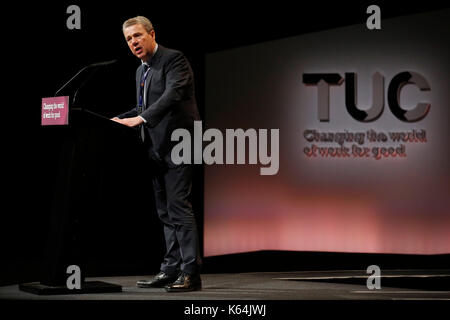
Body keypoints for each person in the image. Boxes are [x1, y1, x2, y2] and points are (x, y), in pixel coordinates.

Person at [112, 16, 202, 292]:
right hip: (155, 149)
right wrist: (114, 119)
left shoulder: (174, 60)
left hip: (179, 144)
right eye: (129, 39)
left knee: (178, 208)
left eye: (137, 36)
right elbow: (142, 107)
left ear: (151, 34)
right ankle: (170, 269)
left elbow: (173, 95)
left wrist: (139, 120)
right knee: (164, 212)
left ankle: (190, 273)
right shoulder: (141, 72)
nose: (134, 42)